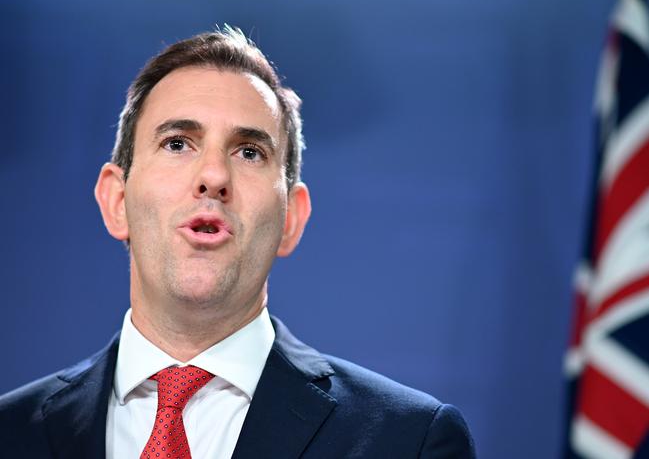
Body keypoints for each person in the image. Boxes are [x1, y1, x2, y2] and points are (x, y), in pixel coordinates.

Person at [0, 27, 475, 459]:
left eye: (249, 152)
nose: (213, 176)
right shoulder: (11, 433)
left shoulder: (407, 441)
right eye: (177, 143)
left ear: (292, 218)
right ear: (117, 201)